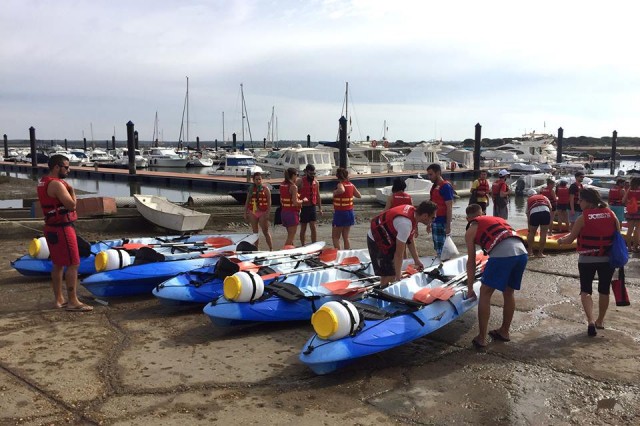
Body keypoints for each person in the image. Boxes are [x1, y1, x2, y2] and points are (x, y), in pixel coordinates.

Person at [558, 188, 619, 336]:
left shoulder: (583, 217)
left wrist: (561, 241)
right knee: (604, 289)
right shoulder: (611, 214)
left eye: (580, 200)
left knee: (586, 291)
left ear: (588, 201)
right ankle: (600, 321)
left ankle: (590, 321)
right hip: (607, 259)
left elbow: (570, 239)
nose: (578, 202)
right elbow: (617, 236)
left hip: (586, 259)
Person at [465, 204, 528, 348]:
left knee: (485, 293)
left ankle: (481, 338)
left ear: (468, 219)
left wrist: (470, 288)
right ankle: (504, 332)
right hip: (522, 252)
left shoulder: (471, 229)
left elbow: (471, 261)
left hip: (503, 254)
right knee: (508, 291)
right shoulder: (496, 218)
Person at [36, 154, 93, 312]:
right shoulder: (56, 184)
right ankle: (73, 301)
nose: (68, 170)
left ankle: (59, 299)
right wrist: (72, 191)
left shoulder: (43, 182)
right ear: (57, 167)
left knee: (58, 264)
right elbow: (71, 205)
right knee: (73, 264)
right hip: (62, 228)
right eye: (66, 167)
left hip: (51, 227)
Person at [368, 202, 437, 287]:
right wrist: (398, 277)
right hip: (376, 239)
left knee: (391, 271)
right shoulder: (405, 224)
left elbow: (410, 240)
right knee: (389, 274)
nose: (433, 220)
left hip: (387, 236)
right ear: (425, 216)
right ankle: (382, 289)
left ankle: (385, 284)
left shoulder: (413, 213)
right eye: (433, 218)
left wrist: (416, 260)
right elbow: (398, 254)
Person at [426, 163, 454, 257]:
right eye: (428, 175)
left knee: (444, 248)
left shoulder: (445, 186)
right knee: (438, 246)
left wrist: (448, 226)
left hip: (442, 222)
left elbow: (449, 207)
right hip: (435, 221)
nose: (429, 177)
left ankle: (445, 262)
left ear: (438, 173)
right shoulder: (434, 187)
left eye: (431, 174)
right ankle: (441, 260)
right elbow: (431, 206)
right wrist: (429, 223)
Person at [332, 167, 361, 250]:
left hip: (340, 213)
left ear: (337, 176)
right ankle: (347, 253)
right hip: (350, 212)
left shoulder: (340, 184)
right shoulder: (351, 185)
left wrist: (335, 192)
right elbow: (359, 195)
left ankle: (339, 254)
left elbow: (342, 190)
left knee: (335, 237)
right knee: (346, 237)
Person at [243, 172, 273, 251]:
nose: (258, 181)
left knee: (265, 231)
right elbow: (247, 200)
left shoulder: (265, 189)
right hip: (253, 211)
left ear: (262, 179)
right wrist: (245, 212)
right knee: (255, 232)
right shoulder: (250, 189)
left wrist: (268, 212)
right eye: (256, 179)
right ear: (253, 180)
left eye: (259, 179)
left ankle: (271, 248)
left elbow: (269, 201)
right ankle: (256, 248)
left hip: (263, 211)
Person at [280, 168, 306, 248]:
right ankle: (284, 253)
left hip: (284, 212)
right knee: (291, 237)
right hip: (292, 213)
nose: (297, 177)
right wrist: (303, 200)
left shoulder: (282, 184)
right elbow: (295, 202)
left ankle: (291, 250)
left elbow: (281, 200)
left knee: (290, 236)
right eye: (297, 175)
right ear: (293, 175)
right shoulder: (293, 187)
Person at [298, 164, 322, 246]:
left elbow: (318, 195)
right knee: (303, 227)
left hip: (312, 206)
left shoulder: (316, 182)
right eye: (311, 174)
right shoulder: (300, 181)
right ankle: (303, 244)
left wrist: (320, 208)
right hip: (303, 207)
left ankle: (314, 244)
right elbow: (294, 193)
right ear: (306, 172)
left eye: (314, 174)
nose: (312, 175)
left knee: (313, 227)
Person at [525, 193, 552, 257]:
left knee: (532, 233)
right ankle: (540, 253)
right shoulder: (544, 197)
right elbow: (550, 207)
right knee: (543, 233)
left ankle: (530, 252)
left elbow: (528, 215)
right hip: (546, 211)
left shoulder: (529, 200)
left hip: (534, 213)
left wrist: (529, 228)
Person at [621, 177, 640, 252]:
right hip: (639, 212)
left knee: (630, 230)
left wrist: (629, 204)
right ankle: (635, 247)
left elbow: (623, 201)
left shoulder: (629, 190)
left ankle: (629, 248)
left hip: (630, 212)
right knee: (637, 230)